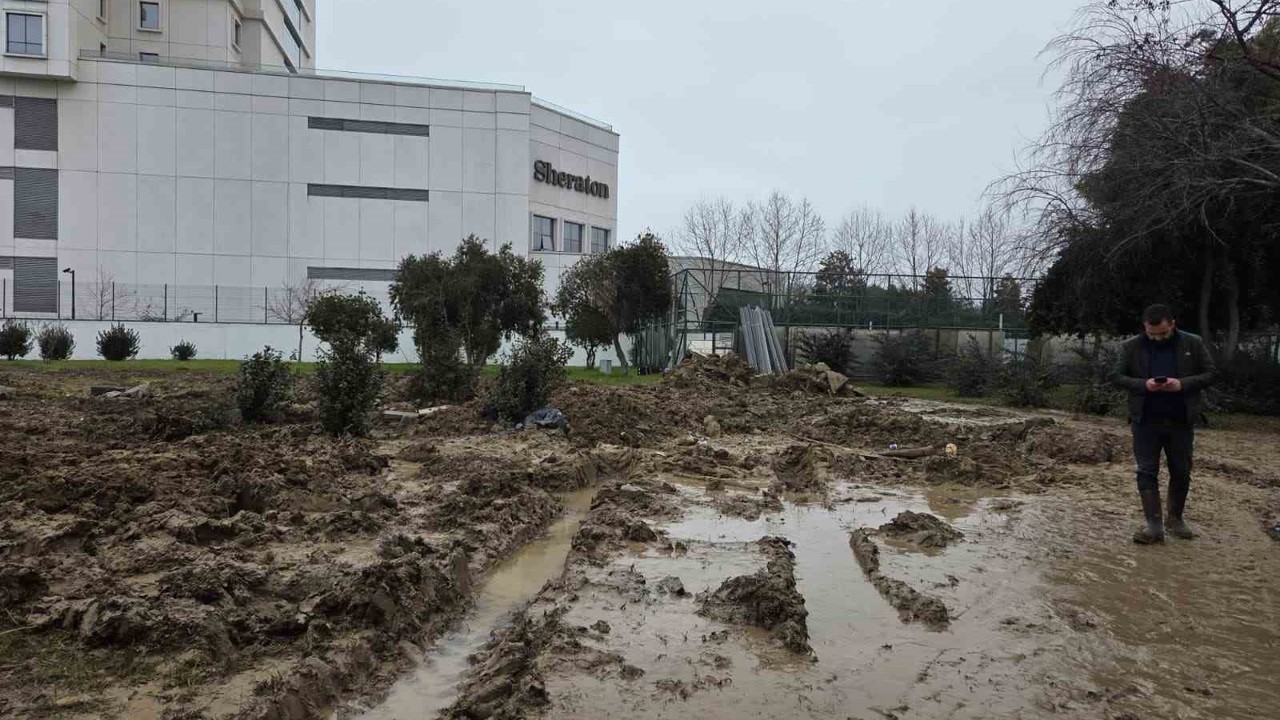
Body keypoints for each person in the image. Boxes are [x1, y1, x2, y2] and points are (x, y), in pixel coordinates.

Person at [1111, 304, 1216, 544]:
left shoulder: (1193, 343)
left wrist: (1182, 384)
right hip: (1145, 420)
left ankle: (1175, 519)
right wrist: (1143, 385)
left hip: (1181, 419)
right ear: (1145, 328)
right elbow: (1116, 376)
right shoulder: (1131, 347)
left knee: (1181, 470)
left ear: (1172, 324)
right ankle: (1153, 525)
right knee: (1146, 471)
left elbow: (1211, 373)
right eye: (1151, 334)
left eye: (1162, 333)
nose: (1157, 338)